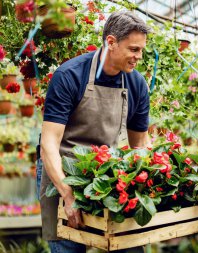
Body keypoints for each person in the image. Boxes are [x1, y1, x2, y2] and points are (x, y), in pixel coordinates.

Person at [36, 11, 151, 253]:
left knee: (130, 246)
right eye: (133, 49)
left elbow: (139, 144)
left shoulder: (136, 84)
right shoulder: (69, 76)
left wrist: (146, 186)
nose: (138, 57)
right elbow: (49, 143)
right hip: (64, 170)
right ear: (111, 42)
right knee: (68, 245)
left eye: (141, 50)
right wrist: (68, 195)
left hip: (105, 175)